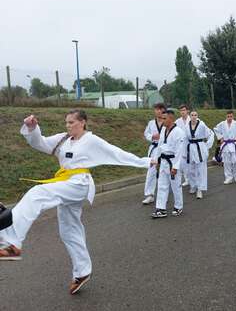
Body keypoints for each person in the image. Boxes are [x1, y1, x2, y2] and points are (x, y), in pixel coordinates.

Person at [0, 110, 152, 295]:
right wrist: (32, 128)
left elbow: (117, 153)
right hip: (66, 183)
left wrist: (147, 161)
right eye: (67, 122)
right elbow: (40, 143)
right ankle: (82, 272)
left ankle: (11, 242)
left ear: (83, 122)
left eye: (72, 122)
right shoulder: (63, 139)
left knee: (37, 193)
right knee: (69, 230)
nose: (68, 125)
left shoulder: (91, 140)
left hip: (79, 183)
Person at [152, 109, 185, 218]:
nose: (162, 121)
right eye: (161, 118)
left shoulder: (179, 132)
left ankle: (178, 206)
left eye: (164, 118)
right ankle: (161, 209)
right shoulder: (163, 130)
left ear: (171, 119)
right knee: (162, 185)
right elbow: (159, 146)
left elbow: (180, 151)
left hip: (173, 162)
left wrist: (175, 167)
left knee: (176, 186)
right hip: (164, 162)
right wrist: (156, 160)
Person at [185, 111, 214, 199]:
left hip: (200, 148)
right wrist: (183, 151)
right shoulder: (187, 126)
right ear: (190, 116)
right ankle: (193, 186)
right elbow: (185, 138)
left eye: (195, 115)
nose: (193, 116)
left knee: (201, 169)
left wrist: (206, 145)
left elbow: (211, 134)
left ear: (197, 116)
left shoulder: (202, 125)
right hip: (190, 148)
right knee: (190, 169)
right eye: (192, 115)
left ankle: (200, 189)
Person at [214, 111, 236, 184]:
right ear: (226, 117)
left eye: (231, 116)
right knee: (227, 162)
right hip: (225, 144)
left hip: (234, 144)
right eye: (228, 116)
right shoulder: (222, 124)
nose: (229, 118)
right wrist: (220, 137)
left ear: (233, 117)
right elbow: (215, 129)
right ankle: (228, 177)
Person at [142, 103, 166, 204]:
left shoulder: (167, 122)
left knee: (165, 171)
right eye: (156, 109)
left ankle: (165, 191)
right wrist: (152, 136)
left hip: (165, 149)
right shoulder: (151, 123)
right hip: (154, 149)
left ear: (164, 110)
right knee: (151, 171)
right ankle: (150, 194)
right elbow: (146, 134)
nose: (158, 111)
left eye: (160, 109)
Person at [175, 104, 191, 187]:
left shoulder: (192, 119)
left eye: (184, 110)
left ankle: (193, 179)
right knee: (183, 164)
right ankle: (187, 179)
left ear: (187, 111)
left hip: (191, 144)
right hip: (181, 145)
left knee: (192, 163)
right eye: (181, 110)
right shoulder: (177, 122)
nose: (183, 112)